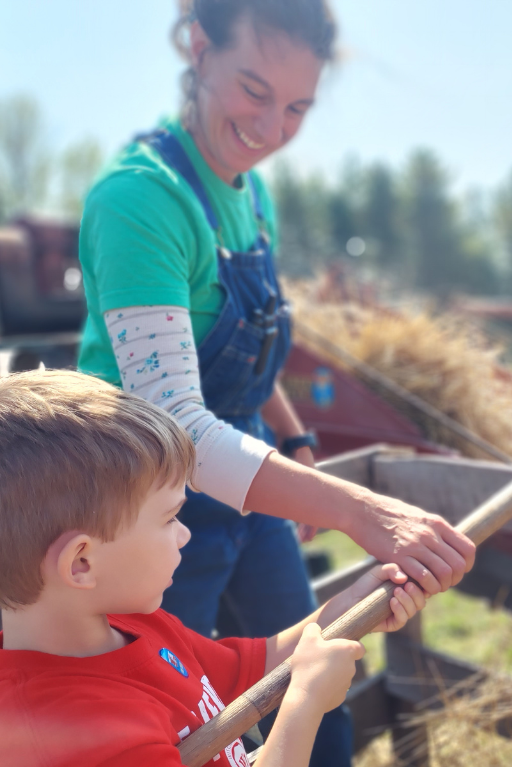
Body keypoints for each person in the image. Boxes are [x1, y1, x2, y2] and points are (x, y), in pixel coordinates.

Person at [76, 1, 475, 762]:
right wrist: (366, 512)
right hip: (142, 503)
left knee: (315, 671)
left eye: (296, 107)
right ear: (199, 48)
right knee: (178, 717)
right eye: (254, 91)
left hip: (248, 473)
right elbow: (177, 428)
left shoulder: (252, 196)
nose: (271, 127)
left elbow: (252, 348)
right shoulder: (141, 200)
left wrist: (296, 440)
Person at [0, 369, 428, 767]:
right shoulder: (77, 734)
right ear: (82, 562)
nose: (184, 535)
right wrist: (305, 704)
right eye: (169, 518)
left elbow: (249, 667)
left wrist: (351, 610)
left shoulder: (129, 623)